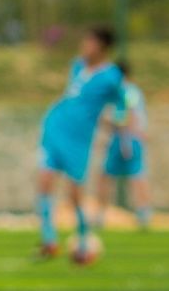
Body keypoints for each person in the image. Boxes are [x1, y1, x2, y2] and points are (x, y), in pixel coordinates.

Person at [35, 25, 126, 264]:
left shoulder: (111, 76)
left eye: (90, 43)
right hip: (55, 128)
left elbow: (121, 105)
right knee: (44, 182)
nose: (85, 47)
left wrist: (117, 124)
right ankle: (49, 240)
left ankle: (84, 242)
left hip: (78, 139)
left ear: (102, 47)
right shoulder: (77, 65)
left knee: (74, 193)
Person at [98, 64, 151, 230]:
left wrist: (119, 130)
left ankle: (143, 213)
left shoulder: (127, 91)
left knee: (135, 175)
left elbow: (130, 115)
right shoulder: (126, 91)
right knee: (110, 175)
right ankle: (102, 214)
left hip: (127, 139)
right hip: (122, 138)